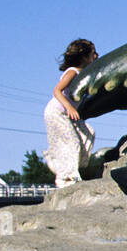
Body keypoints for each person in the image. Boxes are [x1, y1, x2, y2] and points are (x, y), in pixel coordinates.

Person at [43, 39, 98, 187]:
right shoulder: (73, 72)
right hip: (57, 112)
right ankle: (65, 177)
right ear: (84, 57)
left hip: (67, 114)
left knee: (88, 133)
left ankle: (74, 167)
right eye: (93, 54)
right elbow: (57, 91)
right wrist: (69, 107)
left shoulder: (85, 73)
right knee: (72, 142)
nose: (96, 56)